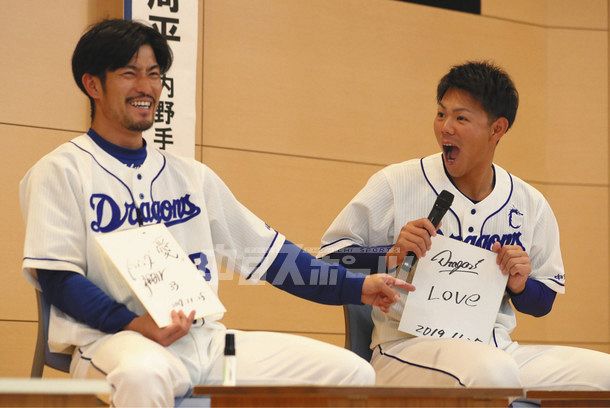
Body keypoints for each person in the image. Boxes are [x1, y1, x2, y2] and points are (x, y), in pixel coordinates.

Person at [20, 19, 411, 407]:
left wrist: (356, 286)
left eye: (154, 74)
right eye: (129, 73)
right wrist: (135, 323)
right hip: (115, 341)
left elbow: (271, 256)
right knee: (144, 375)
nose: (146, 87)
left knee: (349, 373)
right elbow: (59, 279)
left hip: (205, 342)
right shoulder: (60, 171)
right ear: (93, 85)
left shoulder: (191, 176)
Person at [319, 61, 610, 389]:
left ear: (497, 129)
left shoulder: (530, 203)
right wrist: (390, 253)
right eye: (441, 114)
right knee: (491, 372)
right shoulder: (396, 182)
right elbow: (329, 260)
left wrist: (521, 284)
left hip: (497, 347)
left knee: (603, 373)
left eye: (461, 118)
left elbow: (543, 303)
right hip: (405, 348)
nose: (445, 127)